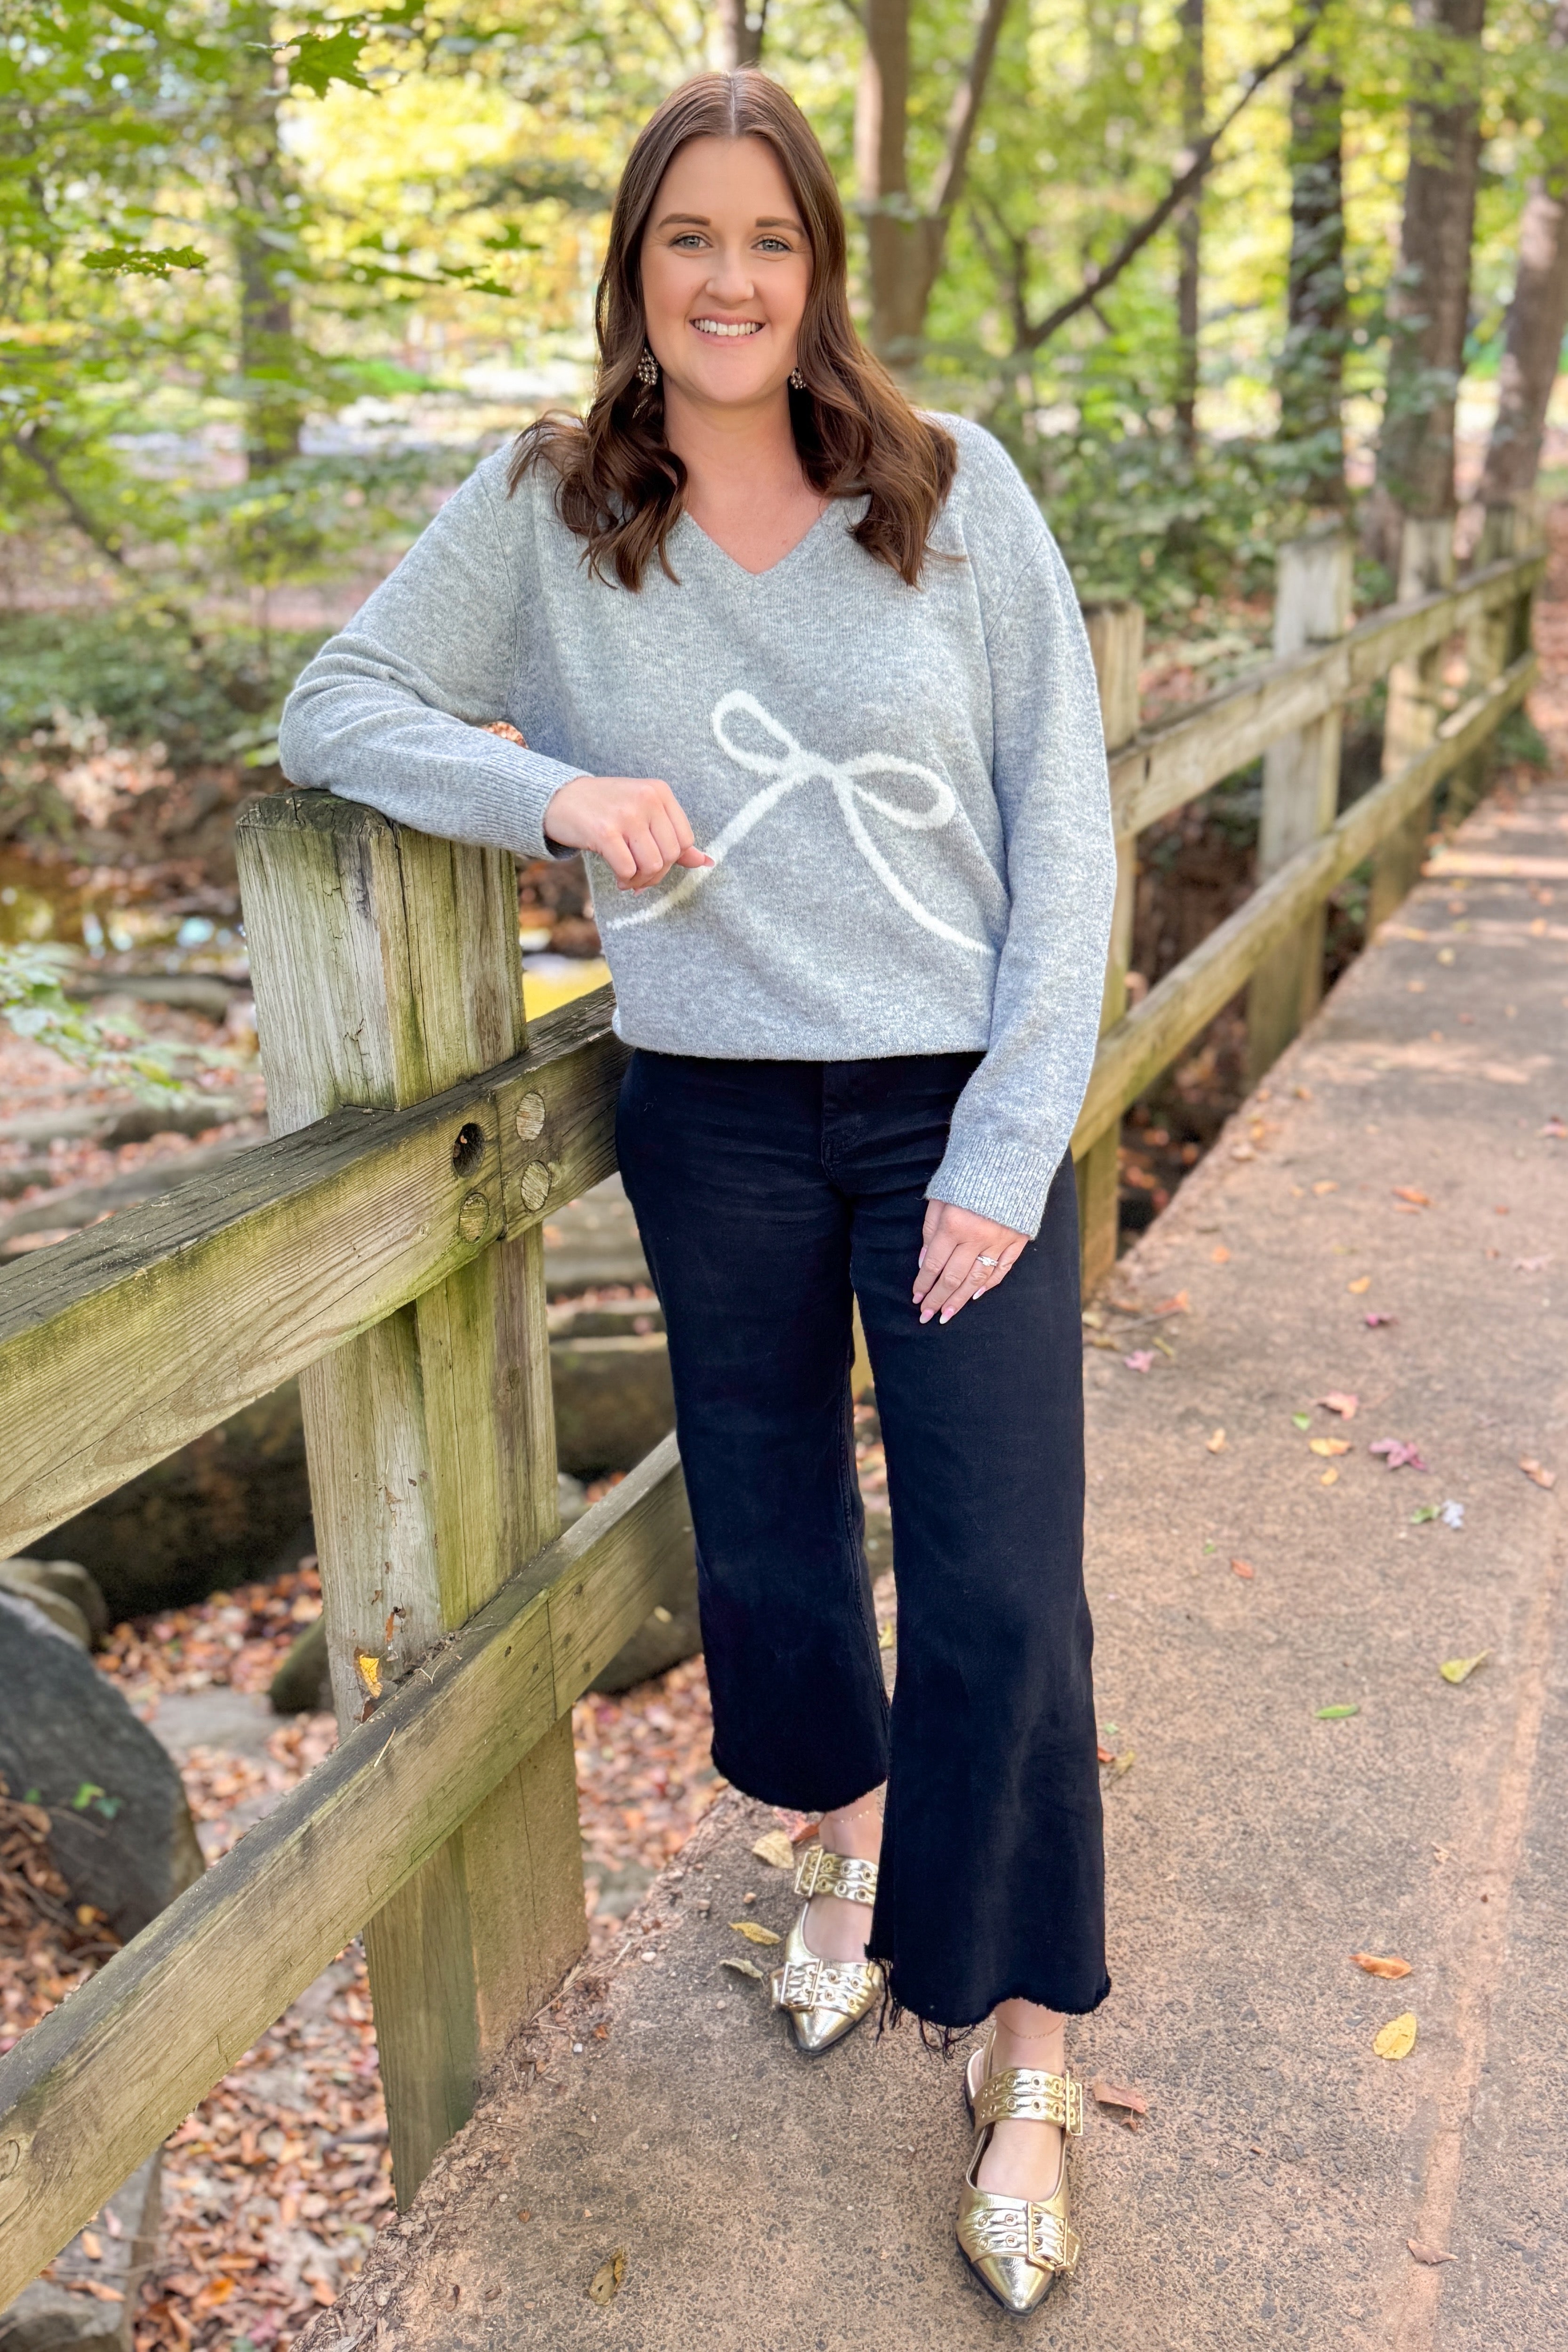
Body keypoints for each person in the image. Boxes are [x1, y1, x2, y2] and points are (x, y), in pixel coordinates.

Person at [280, 66, 1115, 2316]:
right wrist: (552, 786)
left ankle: (1020, 2052)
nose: (730, 280)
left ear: (815, 270)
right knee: (760, 1544)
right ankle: (834, 1858)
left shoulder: (946, 494)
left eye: (768, 240)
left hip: (951, 1107)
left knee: (1005, 1596)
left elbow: (1069, 839)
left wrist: (1011, 1138)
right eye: (688, 242)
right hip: (715, 1113)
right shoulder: (553, 510)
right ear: (635, 275)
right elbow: (334, 707)